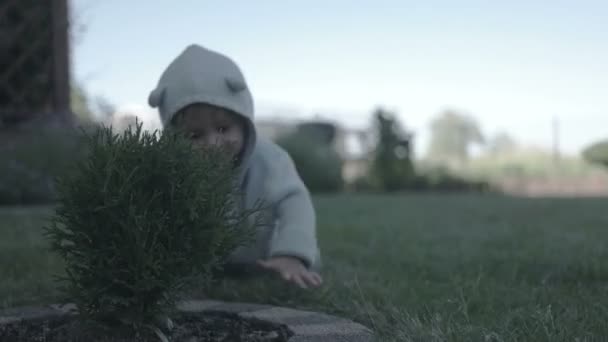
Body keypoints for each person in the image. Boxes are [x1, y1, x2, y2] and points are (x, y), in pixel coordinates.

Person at [148, 44, 322, 289]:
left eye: (223, 128)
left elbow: (295, 204)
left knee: (286, 267)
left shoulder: (271, 160)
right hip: (211, 265)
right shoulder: (175, 174)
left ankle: (290, 262)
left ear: (243, 122)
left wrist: (291, 253)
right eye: (194, 135)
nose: (213, 143)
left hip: (269, 255)